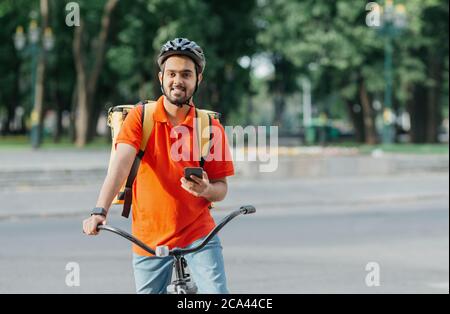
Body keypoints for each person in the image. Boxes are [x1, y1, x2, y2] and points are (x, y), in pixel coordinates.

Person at [82, 38, 234, 294]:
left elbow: (221, 189)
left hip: (199, 235)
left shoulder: (210, 127)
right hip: (148, 237)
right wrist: (99, 210)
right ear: (161, 77)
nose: (178, 81)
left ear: (199, 79)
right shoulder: (141, 118)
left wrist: (206, 189)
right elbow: (119, 168)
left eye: (186, 74)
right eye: (172, 73)